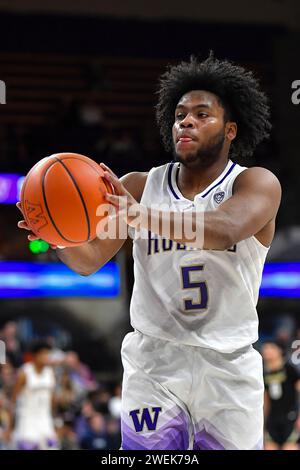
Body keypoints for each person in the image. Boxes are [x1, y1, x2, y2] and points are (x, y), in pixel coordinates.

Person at [17, 53, 281, 450]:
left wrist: (140, 216)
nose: (186, 121)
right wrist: (53, 234)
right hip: (154, 362)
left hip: (228, 365)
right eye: (179, 114)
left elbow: (223, 230)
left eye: (201, 115)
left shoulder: (256, 184)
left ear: (230, 130)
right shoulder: (140, 186)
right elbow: (89, 260)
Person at [9, 341, 58, 450]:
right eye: (43, 354)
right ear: (35, 355)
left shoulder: (50, 372)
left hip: (45, 418)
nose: (46, 357)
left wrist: (54, 418)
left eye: (48, 354)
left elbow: (52, 397)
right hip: (27, 418)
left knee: (51, 446)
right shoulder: (25, 372)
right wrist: (10, 426)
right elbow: (13, 399)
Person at [262, 341, 300, 450]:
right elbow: (266, 401)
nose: (267, 351)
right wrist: (263, 423)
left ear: (279, 350)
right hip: (272, 422)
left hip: (290, 420)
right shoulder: (264, 374)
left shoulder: (290, 369)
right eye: (265, 349)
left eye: (270, 348)